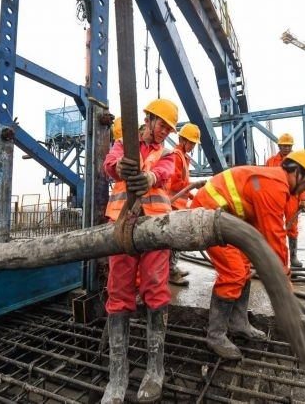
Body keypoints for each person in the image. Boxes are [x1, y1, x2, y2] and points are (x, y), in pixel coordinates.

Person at [190, 150, 305, 359]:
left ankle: (239, 323)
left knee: (243, 268)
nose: (303, 190)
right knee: (233, 273)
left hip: (226, 218)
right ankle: (215, 336)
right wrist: (283, 277)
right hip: (208, 216)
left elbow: (262, 229)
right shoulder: (274, 185)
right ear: (298, 173)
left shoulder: (274, 181)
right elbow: (274, 236)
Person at [101, 98, 178, 403]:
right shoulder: (123, 144)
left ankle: (155, 369)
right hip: (122, 224)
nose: (165, 132)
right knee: (118, 291)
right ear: (148, 119)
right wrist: (119, 166)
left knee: (155, 289)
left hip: (156, 228)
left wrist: (150, 177)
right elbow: (109, 165)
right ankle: (118, 375)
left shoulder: (168, 153)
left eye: (169, 128)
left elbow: (165, 172)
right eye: (162, 125)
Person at [167, 123, 204, 286]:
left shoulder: (183, 157)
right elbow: (174, 183)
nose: (192, 146)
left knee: (176, 239)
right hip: (173, 205)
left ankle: (173, 267)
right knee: (174, 239)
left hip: (178, 205)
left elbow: (182, 185)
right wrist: (193, 186)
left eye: (194, 144)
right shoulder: (176, 156)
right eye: (191, 143)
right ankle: (170, 272)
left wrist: (191, 195)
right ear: (182, 140)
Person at [265, 133, 305, 268]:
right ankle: (276, 256)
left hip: (292, 196)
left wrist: (303, 200)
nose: (287, 148)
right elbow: (265, 180)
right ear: (279, 146)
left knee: (292, 227)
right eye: (284, 146)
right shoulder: (271, 162)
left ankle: (293, 257)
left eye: (289, 146)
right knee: (274, 227)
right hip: (275, 197)